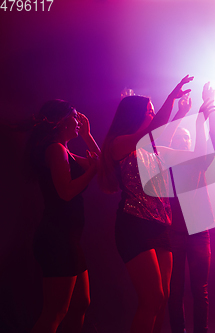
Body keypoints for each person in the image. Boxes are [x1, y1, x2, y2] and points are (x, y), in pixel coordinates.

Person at [99, 75, 214, 333]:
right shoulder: (120, 144)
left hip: (160, 227)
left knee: (161, 301)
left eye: (154, 111)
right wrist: (172, 100)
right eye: (150, 111)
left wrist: (197, 119)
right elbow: (152, 132)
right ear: (135, 116)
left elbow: (196, 155)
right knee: (151, 300)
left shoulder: (153, 148)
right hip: (134, 226)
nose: (153, 115)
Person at [28, 100, 100, 333]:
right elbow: (66, 191)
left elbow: (100, 165)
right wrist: (90, 172)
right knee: (55, 312)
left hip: (68, 238)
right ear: (61, 121)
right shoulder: (55, 149)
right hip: (56, 238)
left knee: (81, 303)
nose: (79, 122)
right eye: (75, 117)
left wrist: (88, 137)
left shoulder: (64, 148)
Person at [166, 83, 215, 333]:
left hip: (198, 232)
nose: (185, 141)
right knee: (175, 291)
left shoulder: (198, 160)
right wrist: (190, 115)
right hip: (175, 233)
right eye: (181, 138)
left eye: (187, 138)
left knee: (200, 290)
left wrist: (209, 109)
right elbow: (163, 140)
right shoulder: (167, 163)